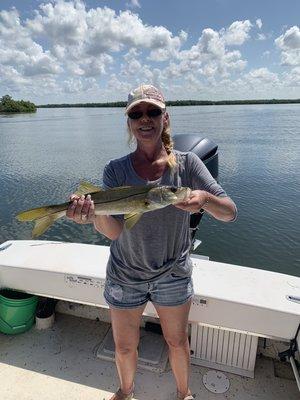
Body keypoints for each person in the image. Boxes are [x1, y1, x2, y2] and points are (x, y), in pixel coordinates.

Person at [66, 84, 237, 400]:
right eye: (136, 113)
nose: (145, 119)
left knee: (177, 341)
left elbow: (229, 213)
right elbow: (115, 232)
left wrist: (203, 199)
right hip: (125, 274)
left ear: (165, 118)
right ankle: (125, 391)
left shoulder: (187, 165)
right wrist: (92, 216)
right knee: (124, 345)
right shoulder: (115, 169)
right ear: (129, 123)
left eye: (153, 111)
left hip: (173, 274)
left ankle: (184, 393)